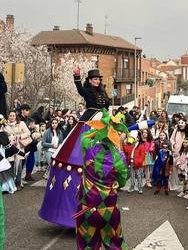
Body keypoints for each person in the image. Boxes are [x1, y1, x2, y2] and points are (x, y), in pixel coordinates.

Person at [39, 69, 110, 228]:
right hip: (88, 123)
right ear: (90, 80)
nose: (97, 81)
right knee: (78, 154)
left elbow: (106, 107)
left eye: (98, 78)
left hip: (101, 125)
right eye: (94, 79)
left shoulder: (103, 92)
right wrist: (76, 77)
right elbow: (79, 89)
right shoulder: (87, 91)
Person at [74, 110, 128, 250]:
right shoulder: (120, 158)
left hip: (86, 208)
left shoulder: (89, 148)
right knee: (115, 244)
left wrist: (100, 128)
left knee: (87, 245)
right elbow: (122, 182)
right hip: (109, 209)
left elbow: (85, 135)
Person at [5, 111, 31, 190]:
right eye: (10, 116)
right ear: (8, 117)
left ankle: (18, 182)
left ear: (16, 116)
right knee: (11, 165)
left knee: (19, 165)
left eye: (13, 115)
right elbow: (3, 135)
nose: (12, 117)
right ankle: (11, 183)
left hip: (19, 147)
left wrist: (20, 136)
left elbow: (28, 132)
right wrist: (10, 139)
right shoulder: (5, 125)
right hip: (10, 147)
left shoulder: (21, 123)